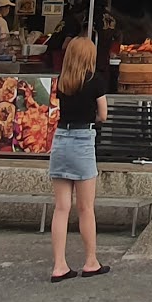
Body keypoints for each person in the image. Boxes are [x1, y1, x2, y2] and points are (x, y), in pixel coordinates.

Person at [46, 36, 110, 282]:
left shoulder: (63, 81)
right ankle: (91, 261)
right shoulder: (95, 81)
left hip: (61, 139)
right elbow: (103, 114)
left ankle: (59, 265)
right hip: (83, 141)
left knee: (62, 207)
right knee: (85, 207)